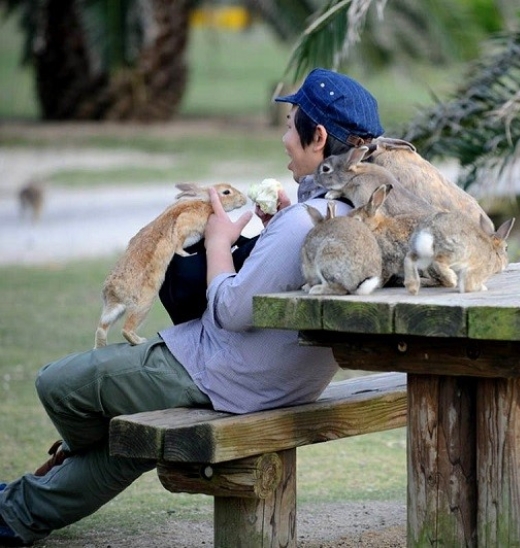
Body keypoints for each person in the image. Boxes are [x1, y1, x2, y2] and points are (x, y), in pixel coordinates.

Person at [0, 68, 384, 547]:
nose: (285, 138)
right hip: (282, 382)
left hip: (219, 376)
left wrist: (221, 241)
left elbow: (228, 311)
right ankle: (14, 514)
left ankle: (28, 497)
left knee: (57, 385)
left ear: (319, 137)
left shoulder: (299, 226)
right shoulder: (354, 215)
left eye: (290, 124)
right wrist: (274, 226)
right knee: (129, 443)